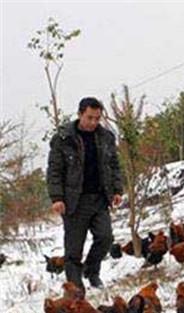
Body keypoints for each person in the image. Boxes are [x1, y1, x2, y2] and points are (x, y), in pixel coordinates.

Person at [46, 97, 123, 290]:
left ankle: (91, 270)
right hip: (74, 202)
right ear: (80, 114)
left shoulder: (106, 137)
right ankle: (76, 287)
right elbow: (54, 170)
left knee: (105, 238)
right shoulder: (63, 138)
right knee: (73, 250)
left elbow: (114, 165)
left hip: (99, 198)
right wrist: (57, 198)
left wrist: (117, 190)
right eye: (90, 118)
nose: (93, 122)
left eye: (97, 118)